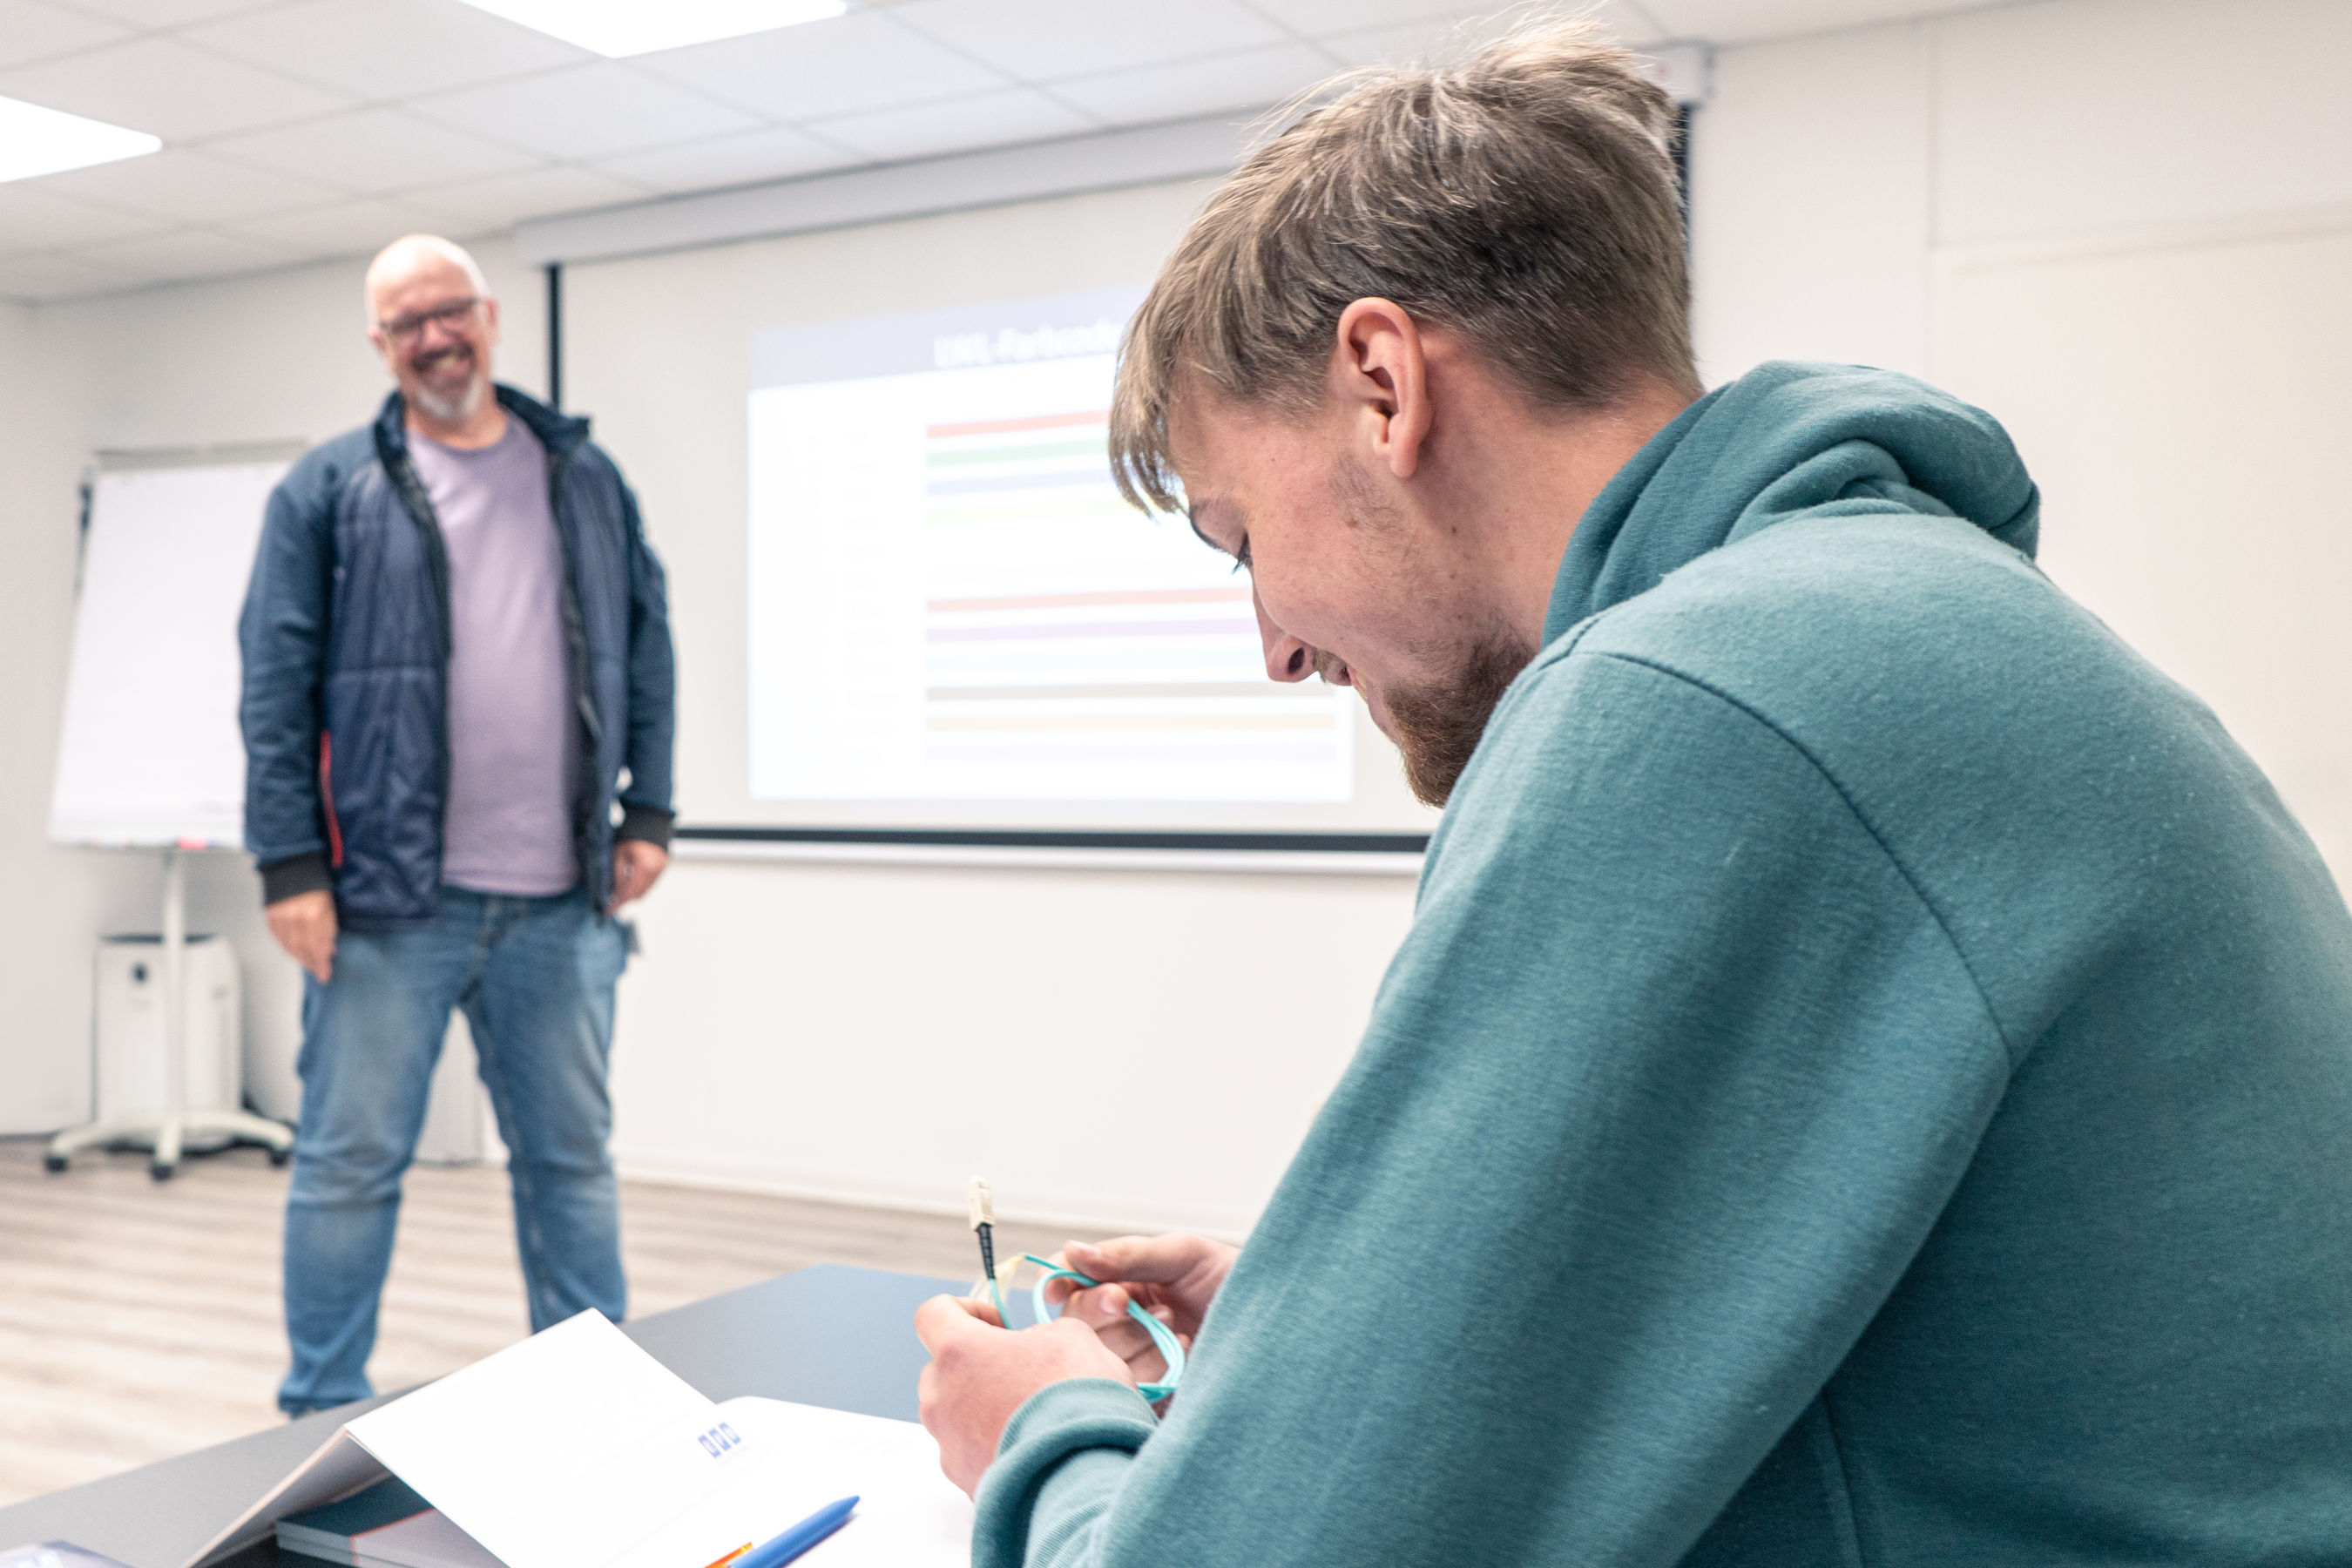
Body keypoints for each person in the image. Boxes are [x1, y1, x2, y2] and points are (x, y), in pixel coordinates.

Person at [913, 24, 2352, 1565]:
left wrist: (1048, 1432)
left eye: (1237, 536)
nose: (1273, 644)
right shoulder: (1904, 624)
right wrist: (1333, 1330)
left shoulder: (1707, 702)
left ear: (1384, 388)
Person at [239, 234, 676, 1416]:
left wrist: (651, 809)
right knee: (345, 1168)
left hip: (561, 902)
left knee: (571, 1167)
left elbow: (646, 643)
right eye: (406, 323)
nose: (434, 337)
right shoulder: (330, 490)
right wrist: (290, 862)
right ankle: (317, 1412)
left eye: (449, 312)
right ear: (381, 347)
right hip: (385, 904)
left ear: (488, 316)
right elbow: (272, 685)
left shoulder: (583, 475)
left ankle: (601, 1404)